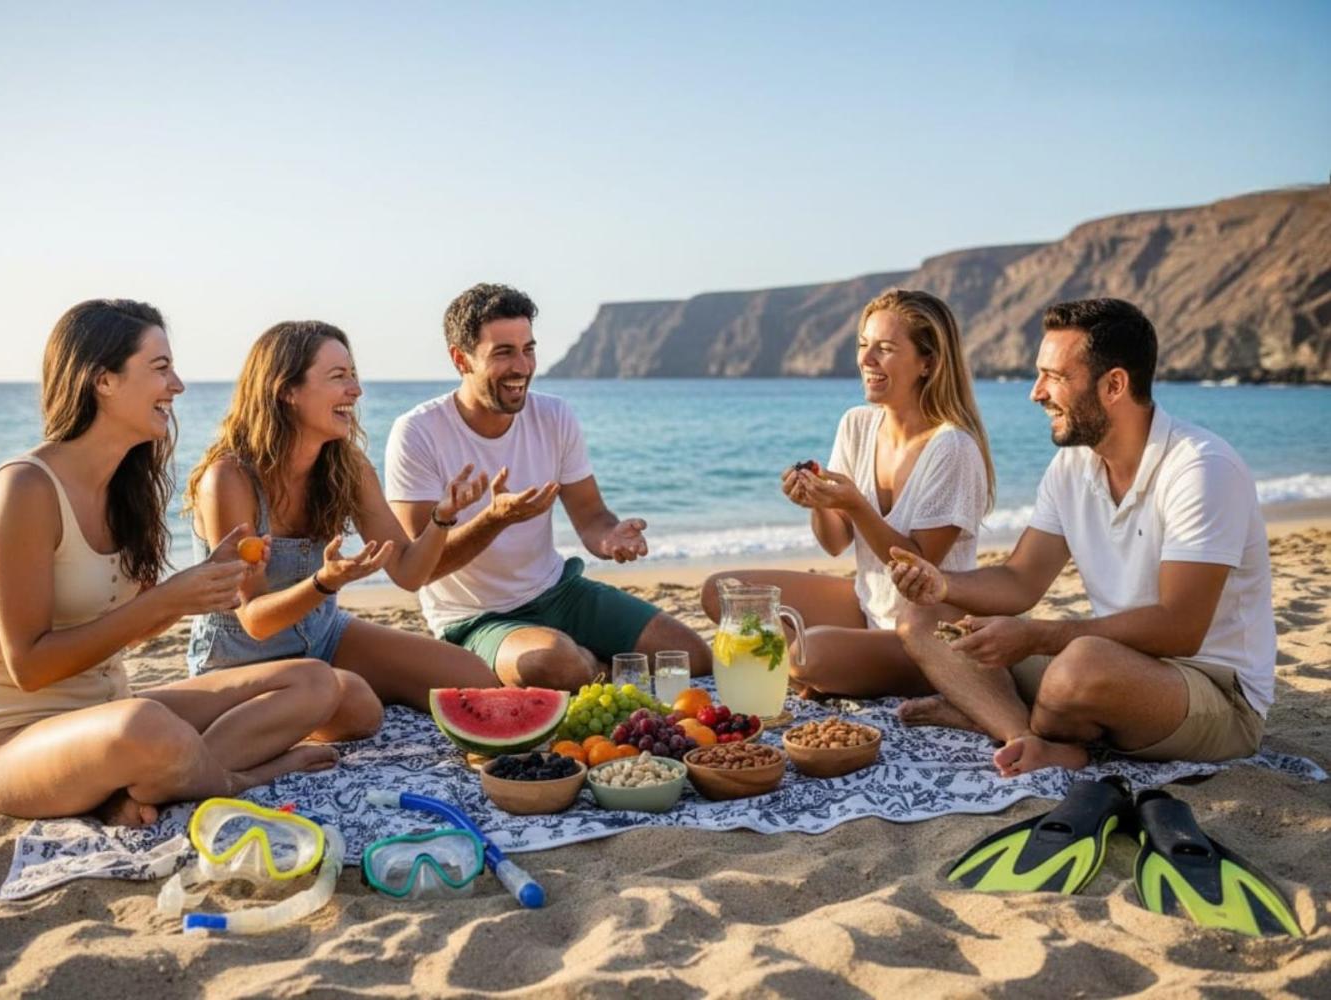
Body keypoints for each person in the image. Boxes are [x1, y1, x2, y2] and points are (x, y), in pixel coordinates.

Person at [0, 300, 382, 827]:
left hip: (108, 712)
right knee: (143, 726)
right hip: (13, 742)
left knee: (315, 681)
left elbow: (133, 627)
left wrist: (203, 587)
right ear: (103, 380)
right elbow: (29, 668)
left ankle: (153, 779)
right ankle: (237, 778)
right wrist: (171, 597)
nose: (177, 385)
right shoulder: (24, 489)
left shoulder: (123, 490)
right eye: (160, 368)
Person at [890, 298, 1274, 776]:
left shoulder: (1201, 469)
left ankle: (1002, 717)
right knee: (927, 619)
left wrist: (1037, 636)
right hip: (1115, 666)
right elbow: (1019, 579)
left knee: (1080, 663)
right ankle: (1024, 735)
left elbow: (1181, 627)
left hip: (1213, 691)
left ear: (1114, 384)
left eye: (1055, 377)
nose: (1036, 393)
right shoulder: (1073, 465)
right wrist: (941, 586)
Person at [383, 283, 711, 691]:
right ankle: (589, 665)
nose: (522, 366)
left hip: (559, 592)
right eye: (503, 352)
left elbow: (591, 516)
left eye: (529, 349)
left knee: (690, 657)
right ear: (460, 358)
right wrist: (494, 520)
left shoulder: (554, 415)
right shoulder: (417, 432)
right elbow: (421, 567)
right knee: (555, 663)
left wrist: (610, 537)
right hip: (476, 617)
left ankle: (589, 665)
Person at [184, 321, 499, 706]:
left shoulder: (347, 467)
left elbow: (408, 572)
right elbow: (255, 621)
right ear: (286, 391)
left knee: (477, 681)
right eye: (339, 377)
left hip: (324, 637)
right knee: (356, 706)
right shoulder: (229, 479)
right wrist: (324, 583)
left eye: (353, 375)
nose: (356, 389)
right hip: (239, 661)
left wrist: (441, 519)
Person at [700, 289, 994, 697]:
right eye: (863, 345)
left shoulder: (953, 448)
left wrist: (856, 504)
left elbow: (920, 567)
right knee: (723, 593)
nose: (866, 360)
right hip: (866, 607)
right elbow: (835, 542)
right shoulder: (856, 425)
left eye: (885, 349)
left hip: (930, 632)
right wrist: (817, 503)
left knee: (810, 654)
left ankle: (824, 670)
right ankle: (829, 670)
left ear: (928, 362)